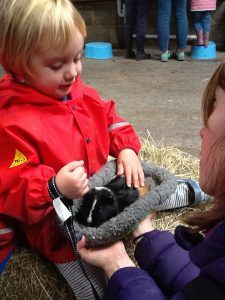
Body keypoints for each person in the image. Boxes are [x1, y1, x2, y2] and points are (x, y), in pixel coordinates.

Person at [0, 0, 144, 299]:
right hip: (59, 223)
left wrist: (127, 149)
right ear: (16, 63)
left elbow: (109, 117)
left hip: (98, 193)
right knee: (89, 277)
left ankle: (192, 191)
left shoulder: (75, 91)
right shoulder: (11, 122)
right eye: (57, 65)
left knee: (148, 186)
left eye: (77, 58)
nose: (73, 72)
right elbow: (10, 188)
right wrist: (53, 186)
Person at [77, 62, 225, 299]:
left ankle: (191, 191)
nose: (201, 129)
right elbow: (204, 285)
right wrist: (145, 231)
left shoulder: (82, 94)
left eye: (215, 104)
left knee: (158, 190)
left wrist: (117, 264)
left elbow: (111, 119)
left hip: (108, 190)